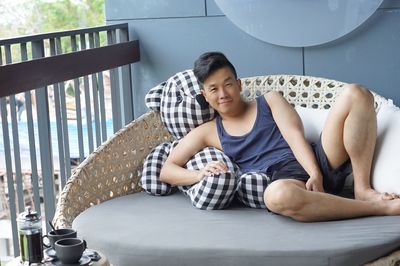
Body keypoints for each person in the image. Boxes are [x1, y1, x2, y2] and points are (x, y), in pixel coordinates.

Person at [160, 51, 400, 222]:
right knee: (275, 197)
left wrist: (316, 173)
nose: (223, 94)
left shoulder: (270, 99)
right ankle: (375, 208)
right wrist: (200, 174)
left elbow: (295, 136)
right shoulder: (208, 131)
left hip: (318, 158)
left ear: (239, 84)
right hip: (286, 179)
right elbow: (167, 170)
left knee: (356, 93)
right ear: (205, 94)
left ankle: (362, 187)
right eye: (214, 89)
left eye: (228, 84)